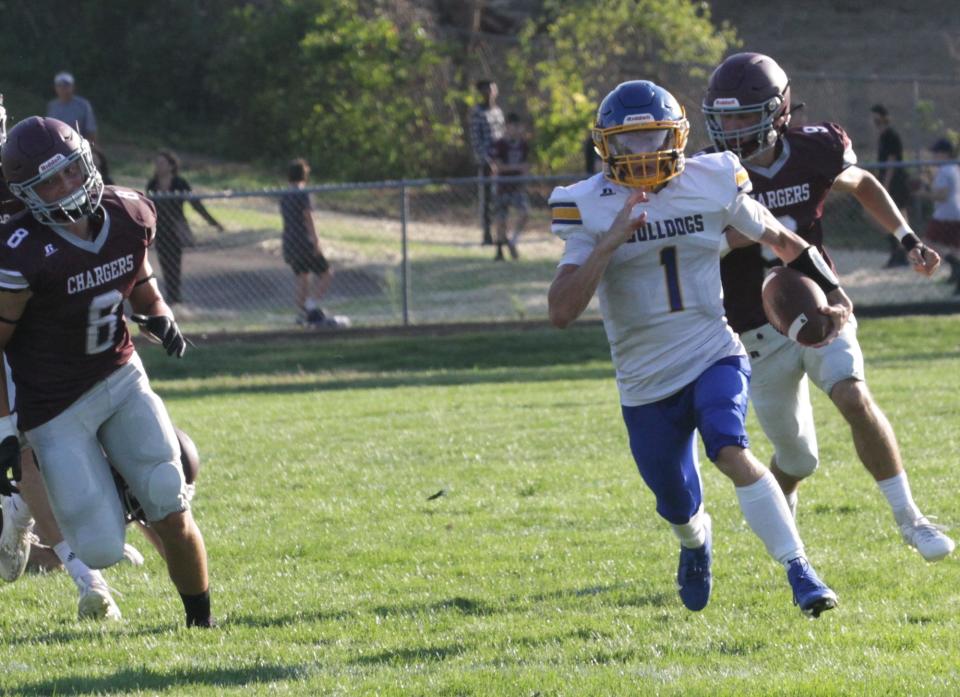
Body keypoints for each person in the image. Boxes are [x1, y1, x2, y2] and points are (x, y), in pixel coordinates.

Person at [548, 80, 848, 616]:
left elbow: (781, 240)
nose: (642, 154)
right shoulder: (587, 205)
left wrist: (834, 292)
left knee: (730, 449)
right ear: (606, 146)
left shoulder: (711, 179)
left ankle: (800, 571)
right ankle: (695, 541)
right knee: (677, 504)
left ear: (677, 137)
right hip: (644, 382)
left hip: (714, 351)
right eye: (629, 142)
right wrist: (611, 240)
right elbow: (561, 311)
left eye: (654, 137)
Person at [702, 53, 953, 561]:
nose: (729, 129)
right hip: (754, 328)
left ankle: (912, 518)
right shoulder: (707, 173)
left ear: (777, 113)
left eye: (741, 116)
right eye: (722, 117)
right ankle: (784, 516)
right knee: (799, 458)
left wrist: (906, 238)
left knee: (854, 397)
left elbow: (860, 182)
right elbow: (694, 247)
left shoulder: (815, 148)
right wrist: (734, 237)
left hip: (821, 301)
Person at [0, 116, 214, 628]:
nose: (68, 187)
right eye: (49, 182)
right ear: (25, 194)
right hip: (56, 407)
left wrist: (159, 312)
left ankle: (201, 623)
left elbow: (135, 269)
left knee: (168, 492)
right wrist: (7, 428)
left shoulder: (128, 210)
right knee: (97, 548)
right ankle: (113, 481)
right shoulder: (21, 252)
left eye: (72, 170)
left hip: (119, 376)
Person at [146, 150, 223, 306]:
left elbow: (196, 204)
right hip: (160, 229)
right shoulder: (152, 184)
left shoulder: (180, 183)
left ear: (171, 166)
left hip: (175, 228)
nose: (158, 166)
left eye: (162, 163)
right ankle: (170, 297)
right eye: (157, 163)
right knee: (164, 262)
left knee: (175, 262)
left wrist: (213, 222)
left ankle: (175, 297)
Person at [280, 158, 336, 326]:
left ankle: (301, 314)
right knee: (326, 273)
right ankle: (310, 305)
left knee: (302, 277)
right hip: (304, 242)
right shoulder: (303, 193)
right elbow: (308, 217)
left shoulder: (284, 196)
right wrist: (315, 240)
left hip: (290, 242)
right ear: (304, 175)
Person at [870, 104, 912, 268]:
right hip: (887, 183)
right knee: (887, 218)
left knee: (899, 217)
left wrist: (885, 185)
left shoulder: (891, 135)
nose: (873, 121)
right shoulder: (882, 136)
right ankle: (896, 252)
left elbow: (892, 161)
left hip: (896, 184)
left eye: (876, 117)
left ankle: (902, 253)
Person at [915, 138, 960, 289]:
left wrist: (922, 194)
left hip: (945, 214)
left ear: (945, 154)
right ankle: (956, 274)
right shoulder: (953, 168)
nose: (933, 156)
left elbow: (942, 195)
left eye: (936, 153)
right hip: (954, 212)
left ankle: (957, 268)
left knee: (927, 243)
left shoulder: (945, 170)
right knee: (954, 248)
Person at [468, 79, 505, 246]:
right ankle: (487, 233)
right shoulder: (477, 113)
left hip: (501, 162)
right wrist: (487, 161)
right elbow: (476, 141)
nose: (490, 93)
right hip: (487, 163)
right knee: (487, 199)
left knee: (502, 198)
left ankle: (501, 232)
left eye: (492, 90)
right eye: (486, 90)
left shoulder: (498, 112)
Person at [489, 113, 530, 261]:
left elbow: (526, 166)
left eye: (518, 126)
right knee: (501, 219)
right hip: (502, 187)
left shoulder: (523, 144)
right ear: (507, 127)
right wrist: (516, 167)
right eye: (514, 126)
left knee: (524, 213)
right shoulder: (500, 144)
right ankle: (499, 249)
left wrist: (518, 170)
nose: (517, 130)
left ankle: (513, 240)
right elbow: (498, 167)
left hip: (517, 187)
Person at [45, 72, 97, 144]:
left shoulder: (83, 105)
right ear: (55, 88)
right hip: (58, 145)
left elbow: (91, 130)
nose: (63, 89)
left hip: (79, 145)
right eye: (60, 86)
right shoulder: (52, 106)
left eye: (66, 85)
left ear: (73, 87)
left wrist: (91, 145)